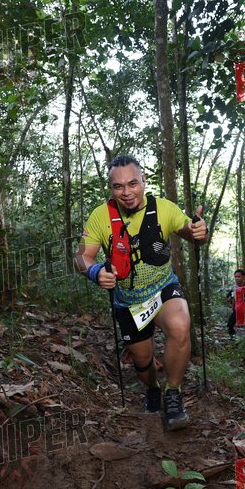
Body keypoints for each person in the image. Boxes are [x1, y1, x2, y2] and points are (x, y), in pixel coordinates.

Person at [74, 155, 208, 430]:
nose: (127, 192)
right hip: (128, 301)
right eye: (118, 186)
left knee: (180, 325)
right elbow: (81, 257)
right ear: (111, 188)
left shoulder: (163, 208)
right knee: (143, 361)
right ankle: (153, 390)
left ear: (143, 181)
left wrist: (199, 231)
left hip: (162, 289)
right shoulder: (101, 216)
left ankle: (173, 394)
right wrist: (95, 271)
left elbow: (191, 233)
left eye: (133, 183)